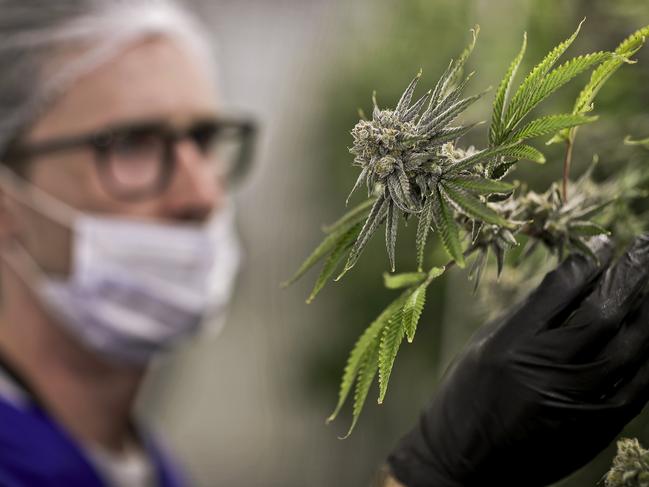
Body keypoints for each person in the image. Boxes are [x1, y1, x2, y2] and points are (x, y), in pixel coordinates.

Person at [0, 1, 648, 487]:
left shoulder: (137, 463)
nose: (201, 192)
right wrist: (436, 470)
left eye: (204, 138)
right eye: (132, 143)